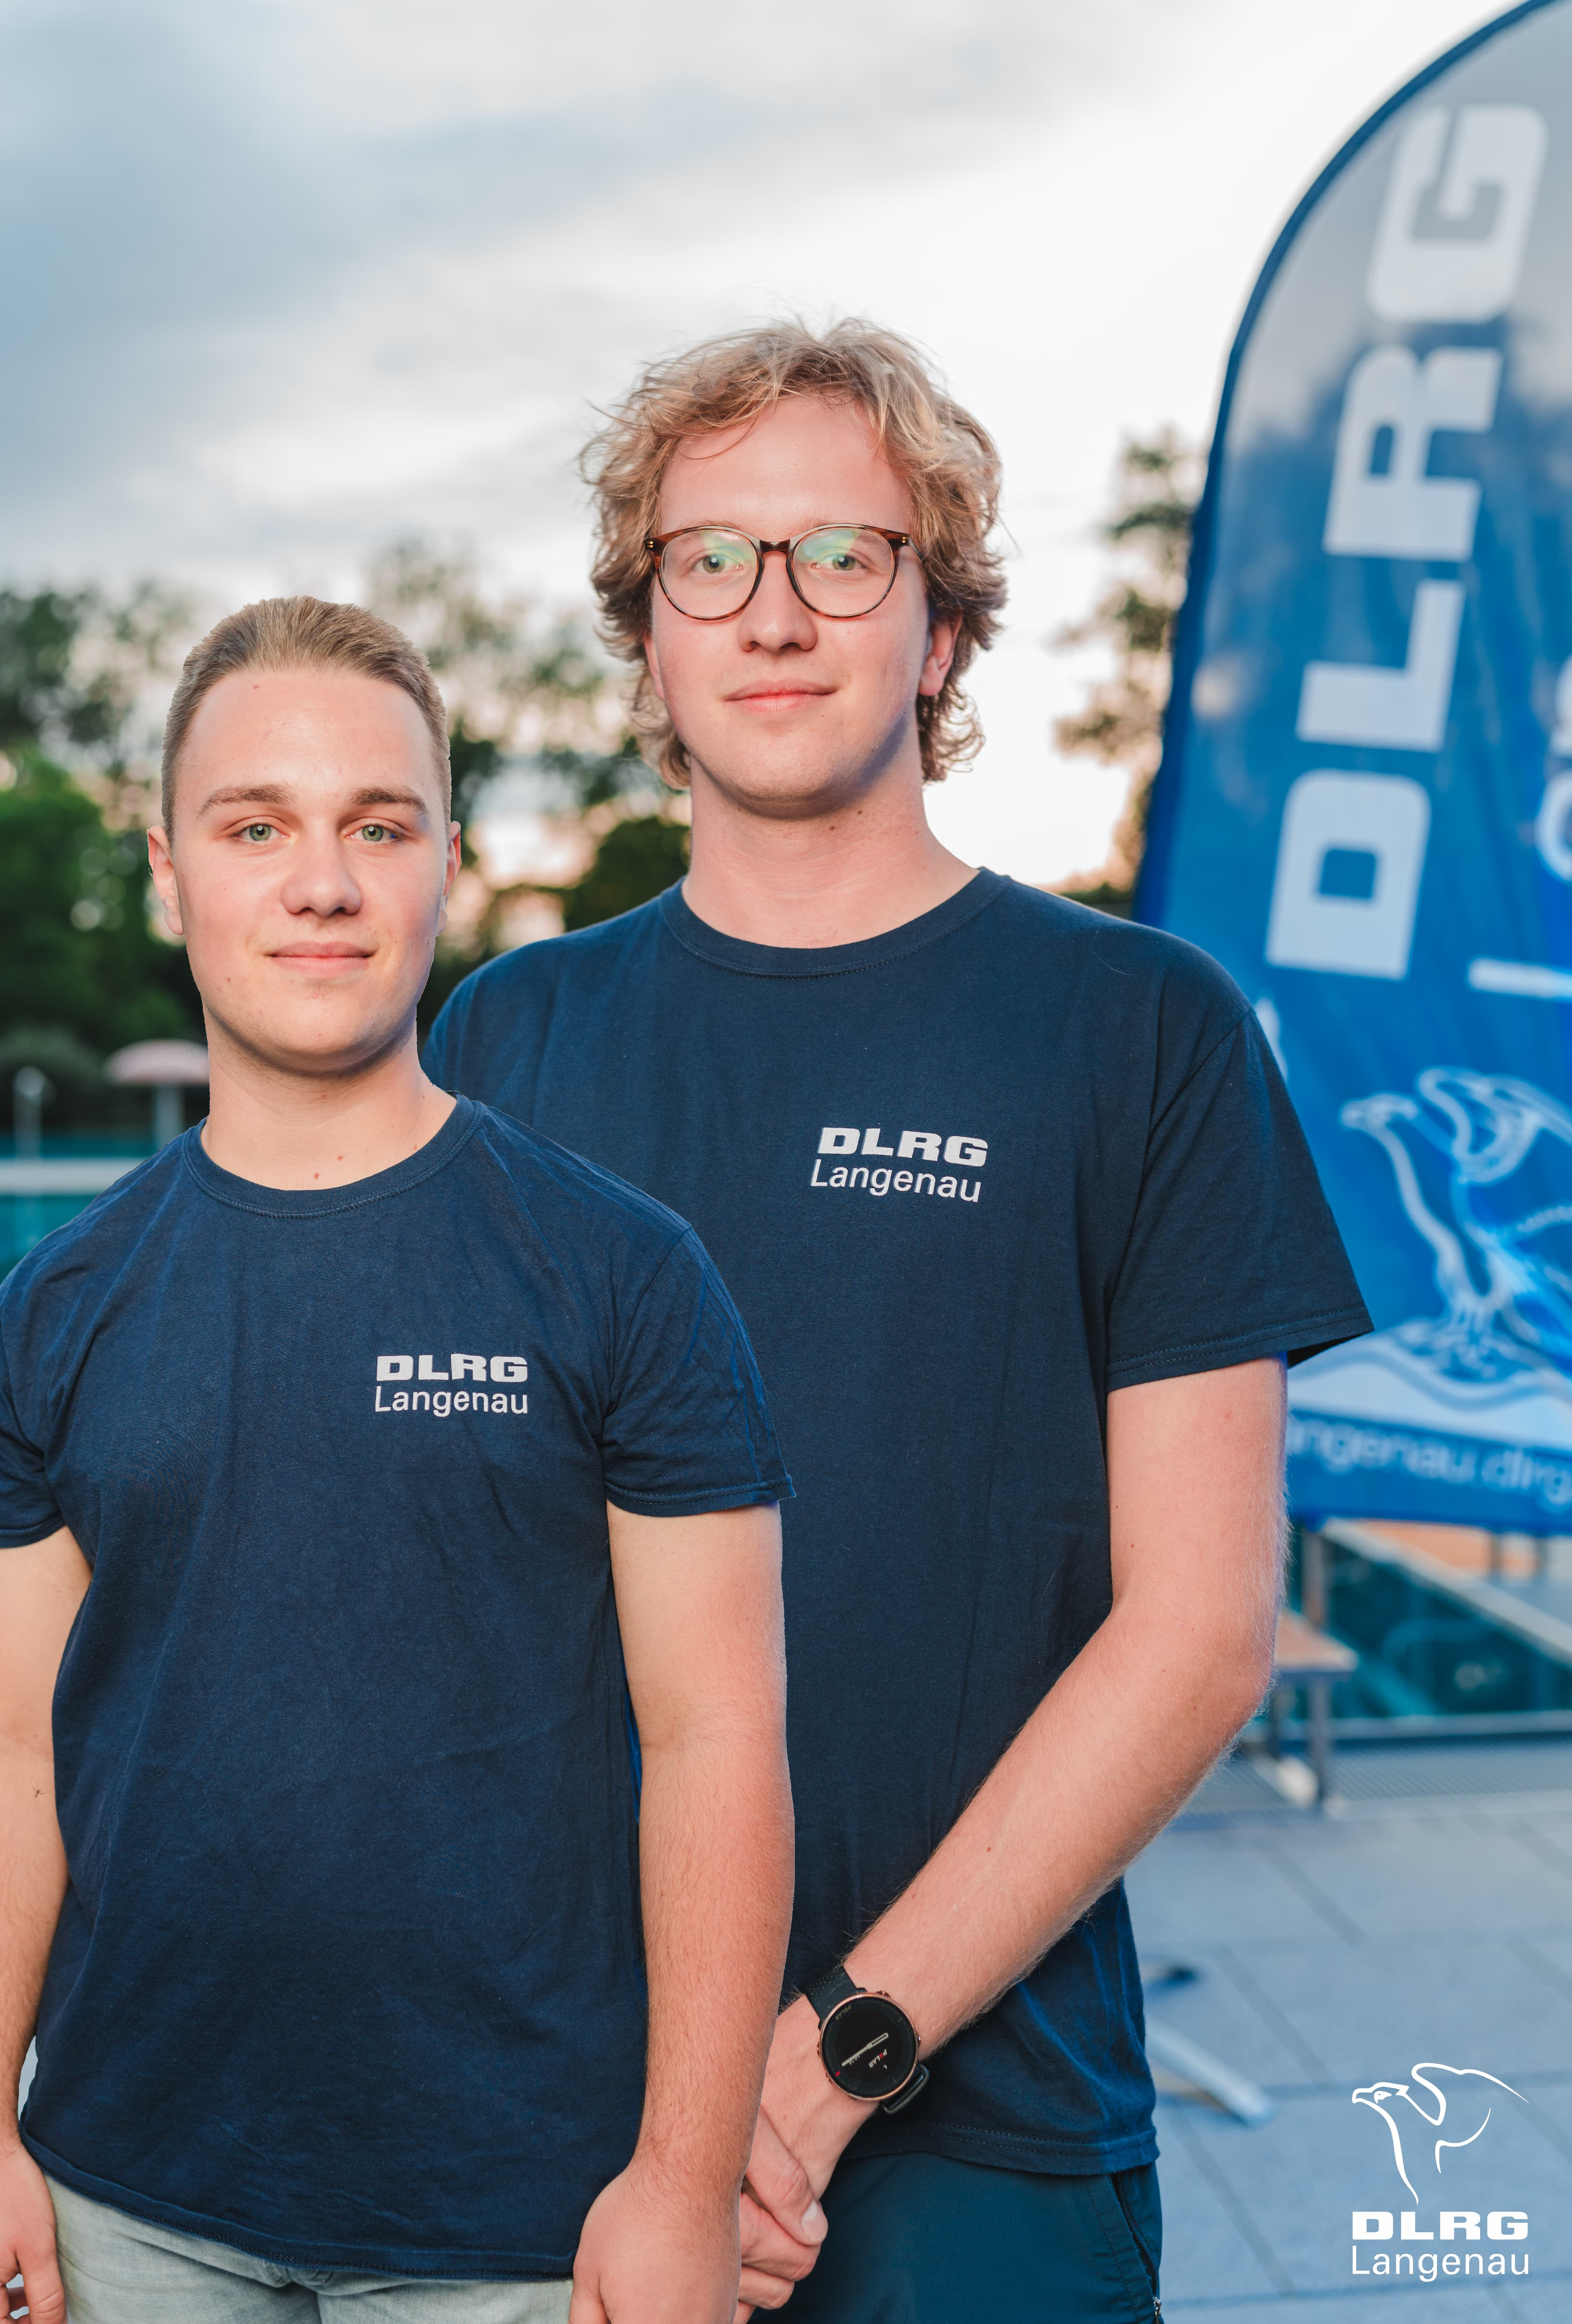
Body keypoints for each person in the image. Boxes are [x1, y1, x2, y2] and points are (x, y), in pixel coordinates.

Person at [423, 321, 1374, 2323]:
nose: (776, 613)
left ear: (937, 630)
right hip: (551, 2107)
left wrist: (835, 2047)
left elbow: (1199, 1628)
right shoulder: (505, 1038)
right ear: (649, 635)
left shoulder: (1139, 1030)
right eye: (713, 560)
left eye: (845, 555)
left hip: (981, 2126)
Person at [0, 597, 796, 2324]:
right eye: (256, 828)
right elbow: (5, 1741)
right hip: (128, 2196)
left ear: (445, 869)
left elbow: (717, 1738)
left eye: (375, 827)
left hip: (516, 2213)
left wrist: (682, 2183)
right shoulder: (59, 1307)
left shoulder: (618, 1275)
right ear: (172, 876)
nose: (319, 883)